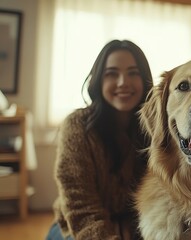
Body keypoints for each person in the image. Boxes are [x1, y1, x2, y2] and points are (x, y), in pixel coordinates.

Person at [46, 40, 154, 240]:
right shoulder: (77, 126)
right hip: (77, 226)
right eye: (112, 73)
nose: (123, 82)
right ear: (98, 80)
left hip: (137, 227)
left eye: (133, 72)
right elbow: (80, 206)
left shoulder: (156, 128)